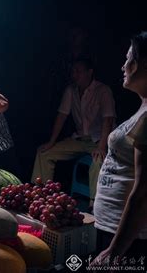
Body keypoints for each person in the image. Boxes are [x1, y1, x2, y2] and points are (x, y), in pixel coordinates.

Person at [92, 32, 147, 265]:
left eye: (128, 59)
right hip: (112, 228)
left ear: (142, 64)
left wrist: (114, 252)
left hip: (126, 240)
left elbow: (144, 192)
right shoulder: (143, 108)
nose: (124, 66)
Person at [32, 58, 116, 208]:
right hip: (79, 139)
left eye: (78, 71)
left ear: (90, 72)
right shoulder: (71, 90)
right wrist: (52, 141)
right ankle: (40, 194)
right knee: (44, 153)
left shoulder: (103, 90)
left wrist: (102, 146)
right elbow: (61, 116)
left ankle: (94, 203)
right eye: (73, 71)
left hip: (99, 140)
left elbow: (108, 120)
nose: (74, 74)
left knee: (98, 160)